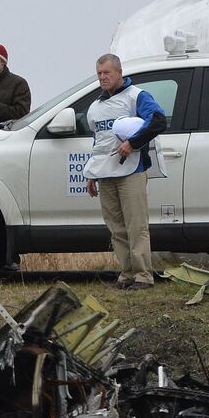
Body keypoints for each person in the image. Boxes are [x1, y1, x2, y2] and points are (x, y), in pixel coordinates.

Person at [83, 53, 167, 291]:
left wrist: (133, 143)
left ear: (119, 72)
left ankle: (143, 274)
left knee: (135, 224)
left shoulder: (136, 96)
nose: (102, 77)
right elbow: (99, 143)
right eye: (99, 73)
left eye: (107, 72)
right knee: (116, 226)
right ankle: (127, 272)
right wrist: (92, 173)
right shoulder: (95, 107)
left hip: (131, 170)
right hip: (106, 172)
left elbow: (159, 121)